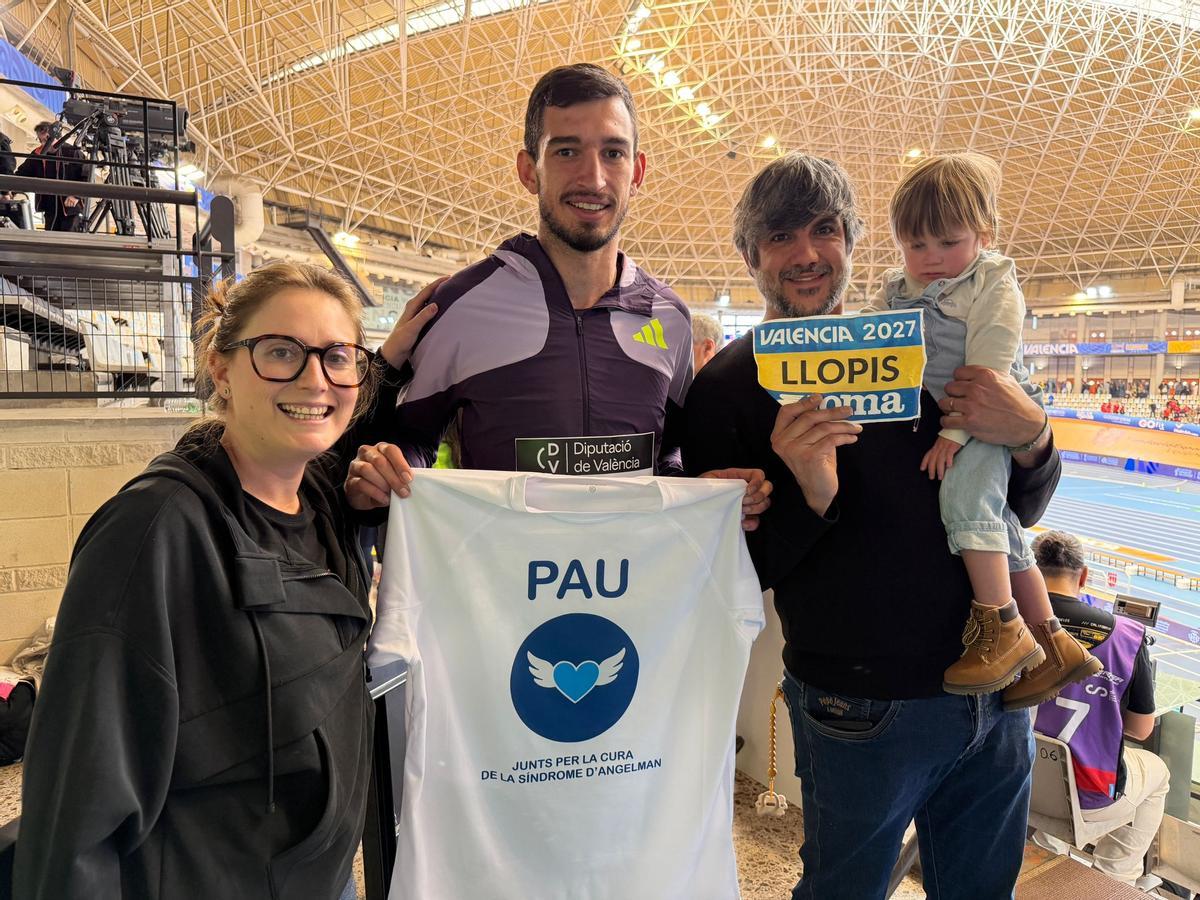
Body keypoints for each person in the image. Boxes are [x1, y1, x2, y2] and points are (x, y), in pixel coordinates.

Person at [683, 153, 1063, 898]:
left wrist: (1035, 437)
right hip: (861, 707)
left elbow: (1015, 509)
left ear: (853, 240)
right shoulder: (727, 387)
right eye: (779, 236)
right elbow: (734, 574)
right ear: (749, 255)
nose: (805, 254)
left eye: (824, 230)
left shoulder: (921, 345)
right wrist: (812, 495)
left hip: (997, 693)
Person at [14, 262, 377, 900]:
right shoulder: (155, 530)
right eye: (281, 352)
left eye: (336, 355)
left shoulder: (324, 502)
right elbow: (76, 801)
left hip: (317, 878)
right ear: (221, 367)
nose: (314, 378)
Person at [346, 64, 768, 523]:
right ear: (530, 171)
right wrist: (386, 474)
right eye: (567, 151)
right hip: (503, 587)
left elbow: (669, 455)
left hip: (633, 588)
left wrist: (705, 492)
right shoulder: (461, 305)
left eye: (613, 153)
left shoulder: (669, 317)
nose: (593, 178)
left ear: (638, 170)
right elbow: (414, 442)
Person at [863, 153, 1097, 700]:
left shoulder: (991, 281)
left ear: (983, 233)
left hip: (983, 408)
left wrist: (955, 434)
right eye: (916, 245)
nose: (931, 258)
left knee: (966, 505)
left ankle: (1003, 627)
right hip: (950, 410)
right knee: (1001, 526)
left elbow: (990, 367)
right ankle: (1053, 644)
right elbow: (874, 341)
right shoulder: (898, 288)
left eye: (948, 242)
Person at [1030, 531, 1167, 888]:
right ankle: (1114, 878)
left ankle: (1050, 852)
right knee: (1158, 772)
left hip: (1017, 782)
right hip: (1090, 796)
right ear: (1085, 576)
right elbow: (1140, 730)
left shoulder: (1009, 621)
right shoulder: (1127, 636)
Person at [15, 121, 89, 232]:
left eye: (47, 139)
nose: (44, 144)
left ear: (57, 137)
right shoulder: (37, 155)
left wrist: (76, 195)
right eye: (41, 140)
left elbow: (87, 176)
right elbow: (21, 174)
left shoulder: (73, 152)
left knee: (68, 243)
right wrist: (9, 191)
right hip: (50, 210)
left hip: (70, 210)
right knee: (50, 243)